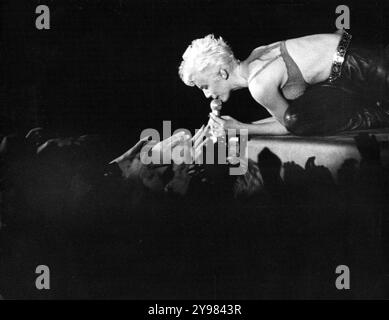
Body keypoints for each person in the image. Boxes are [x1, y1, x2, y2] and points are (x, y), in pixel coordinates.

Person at [179, 30, 389, 136]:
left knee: (295, 119)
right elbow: (285, 119)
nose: (206, 95)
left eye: (204, 86)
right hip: (347, 72)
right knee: (297, 115)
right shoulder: (255, 57)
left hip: (363, 65)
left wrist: (242, 128)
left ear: (222, 73)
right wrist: (238, 126)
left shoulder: (258, 85)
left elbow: (289, 126)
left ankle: (379, 114)